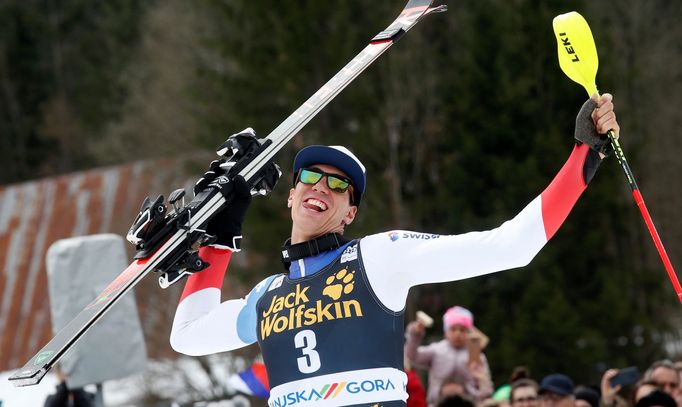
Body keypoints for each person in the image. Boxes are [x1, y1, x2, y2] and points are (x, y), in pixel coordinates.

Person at [170, 94, 620, 407]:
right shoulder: (266, 295)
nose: (321, 188)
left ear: (350, 213)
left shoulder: (379, 257)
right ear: (290, 196)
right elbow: (188, 335)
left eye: (339, 186)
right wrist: (221, 232)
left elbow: (511, 246)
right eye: (309, 177)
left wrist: (585, 155)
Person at [404, 306, 493, 406]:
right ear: (446, 332)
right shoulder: (436, 351)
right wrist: (415, 334)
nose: (458, 334)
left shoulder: (476, 356)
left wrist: (467, 390)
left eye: (462, 330)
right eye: (453, 329)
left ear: (468, 332)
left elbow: (487, 389)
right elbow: (412, 355)